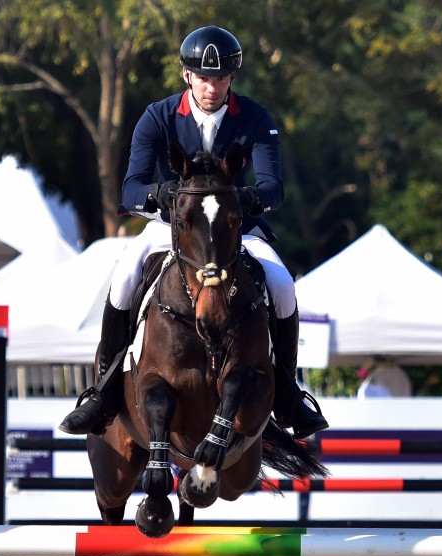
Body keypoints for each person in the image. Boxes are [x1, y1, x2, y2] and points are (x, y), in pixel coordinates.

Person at [59, 25, 328, 439]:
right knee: (124, 278)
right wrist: (160, 192)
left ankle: (289, 392)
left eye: (220, 78)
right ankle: (104, 388)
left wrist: (241, 202)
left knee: (282, 284)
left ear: (231, 78)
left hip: (235, 229)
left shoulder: (255, 118)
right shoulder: (158, 116)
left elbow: (273, 187)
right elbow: (130, 188)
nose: (212, 87)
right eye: (204, 78)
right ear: (187, 75)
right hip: (175, 227)